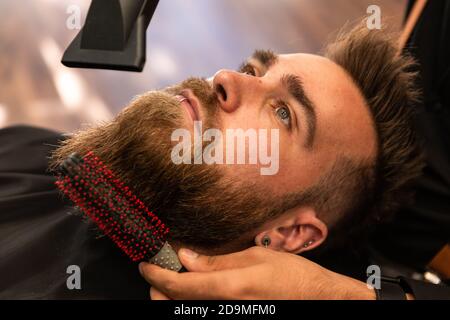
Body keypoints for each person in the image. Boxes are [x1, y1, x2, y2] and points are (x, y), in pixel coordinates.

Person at [0, 13, 447, 299]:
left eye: (283, 112)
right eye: (254, 69)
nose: (227, 77)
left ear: (291, 232)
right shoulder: (24, 150)